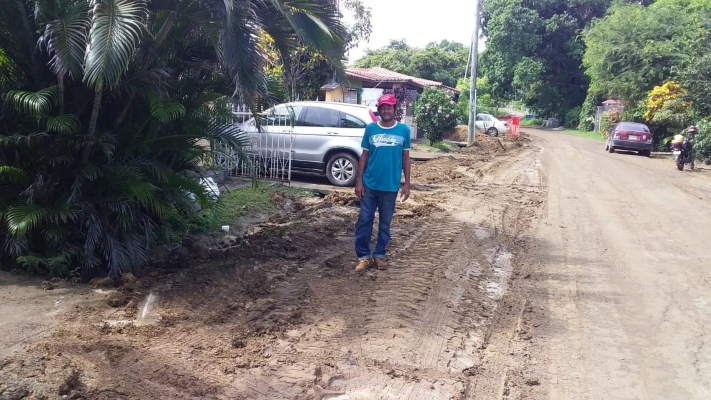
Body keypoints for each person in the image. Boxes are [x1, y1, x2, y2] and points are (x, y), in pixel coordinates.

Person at [353, 93, 411, 272]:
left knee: (385, 223)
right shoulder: (371, 129)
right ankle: (363, 257)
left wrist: (407, 183)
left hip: (391, 186)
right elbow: (364, 155)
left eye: (389, 107)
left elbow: (406, 158)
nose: (386, 110)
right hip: (369, 185)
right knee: (364, 220)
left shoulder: (403, 130)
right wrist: (359, 181)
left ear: (395, 110)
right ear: (379, 110)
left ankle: (379, 254)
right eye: (383, 107)